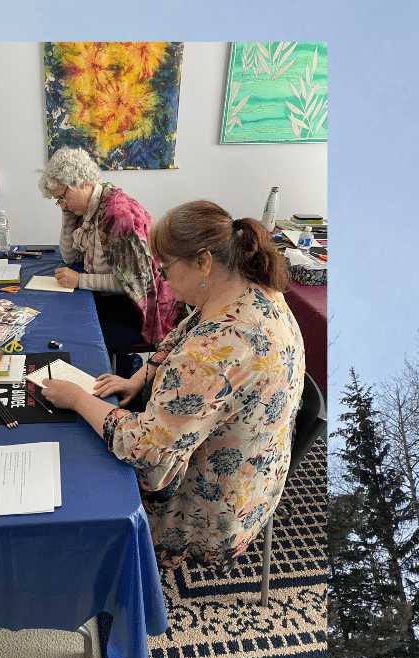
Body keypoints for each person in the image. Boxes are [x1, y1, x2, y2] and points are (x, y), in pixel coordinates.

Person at [40, 200, 305, 574]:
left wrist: (79, 399)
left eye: (165, 268)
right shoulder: (248, 292)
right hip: (256, 475)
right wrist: (139, 378)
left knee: (78, 479)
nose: (161, 278)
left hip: (211, 505)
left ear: (203, 261)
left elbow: (146, 451)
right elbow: (179, 336)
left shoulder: (216, 353)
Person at [39, 147, 180, 374]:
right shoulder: (89, 207)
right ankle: (123, 368)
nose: (63, 204)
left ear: (82, 181)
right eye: (58, 201)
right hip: (113, 298)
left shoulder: (117, 216)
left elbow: (136, 285)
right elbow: (68, 256)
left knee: (76, 341)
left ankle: (122, 377)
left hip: (141, 309)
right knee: (62, 320)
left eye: (63, 197)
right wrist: (67, 214)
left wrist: (80, 281)